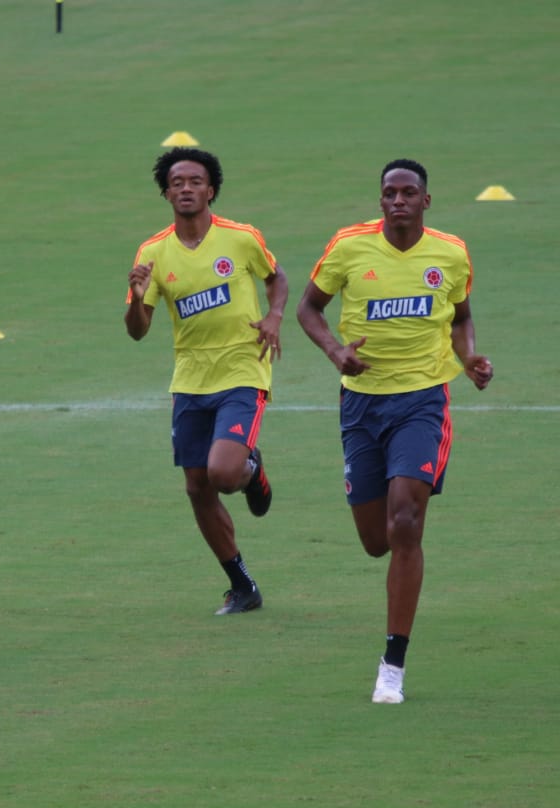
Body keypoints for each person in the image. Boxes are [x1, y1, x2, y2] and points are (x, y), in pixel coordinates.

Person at [296, 159, 493, 702]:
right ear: (379, 200)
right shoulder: (349, 247)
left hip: (422, 400)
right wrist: (336, 351)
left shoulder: (449, 253)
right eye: (390, 193)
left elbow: (460, 316)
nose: (399, 200)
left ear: (427, 201)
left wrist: (469, 358)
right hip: (361, 406)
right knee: (376, 540)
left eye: (409, 193)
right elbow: (308, 309)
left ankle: (393, 665)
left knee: (406, 521)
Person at [125, 147, 289, 615]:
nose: (186, 188)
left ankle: (250, 468)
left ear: (210, 189)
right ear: (166, 193)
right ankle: (242, 586)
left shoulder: (241, 239)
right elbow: (138, 331)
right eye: (176, 182)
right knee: (198, 488)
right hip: (191, 380)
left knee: (222, 473)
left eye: (195, 181)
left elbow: (276, 279)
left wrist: (274, 316)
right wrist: (137, 299)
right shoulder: (153, 253)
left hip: (242, 370)